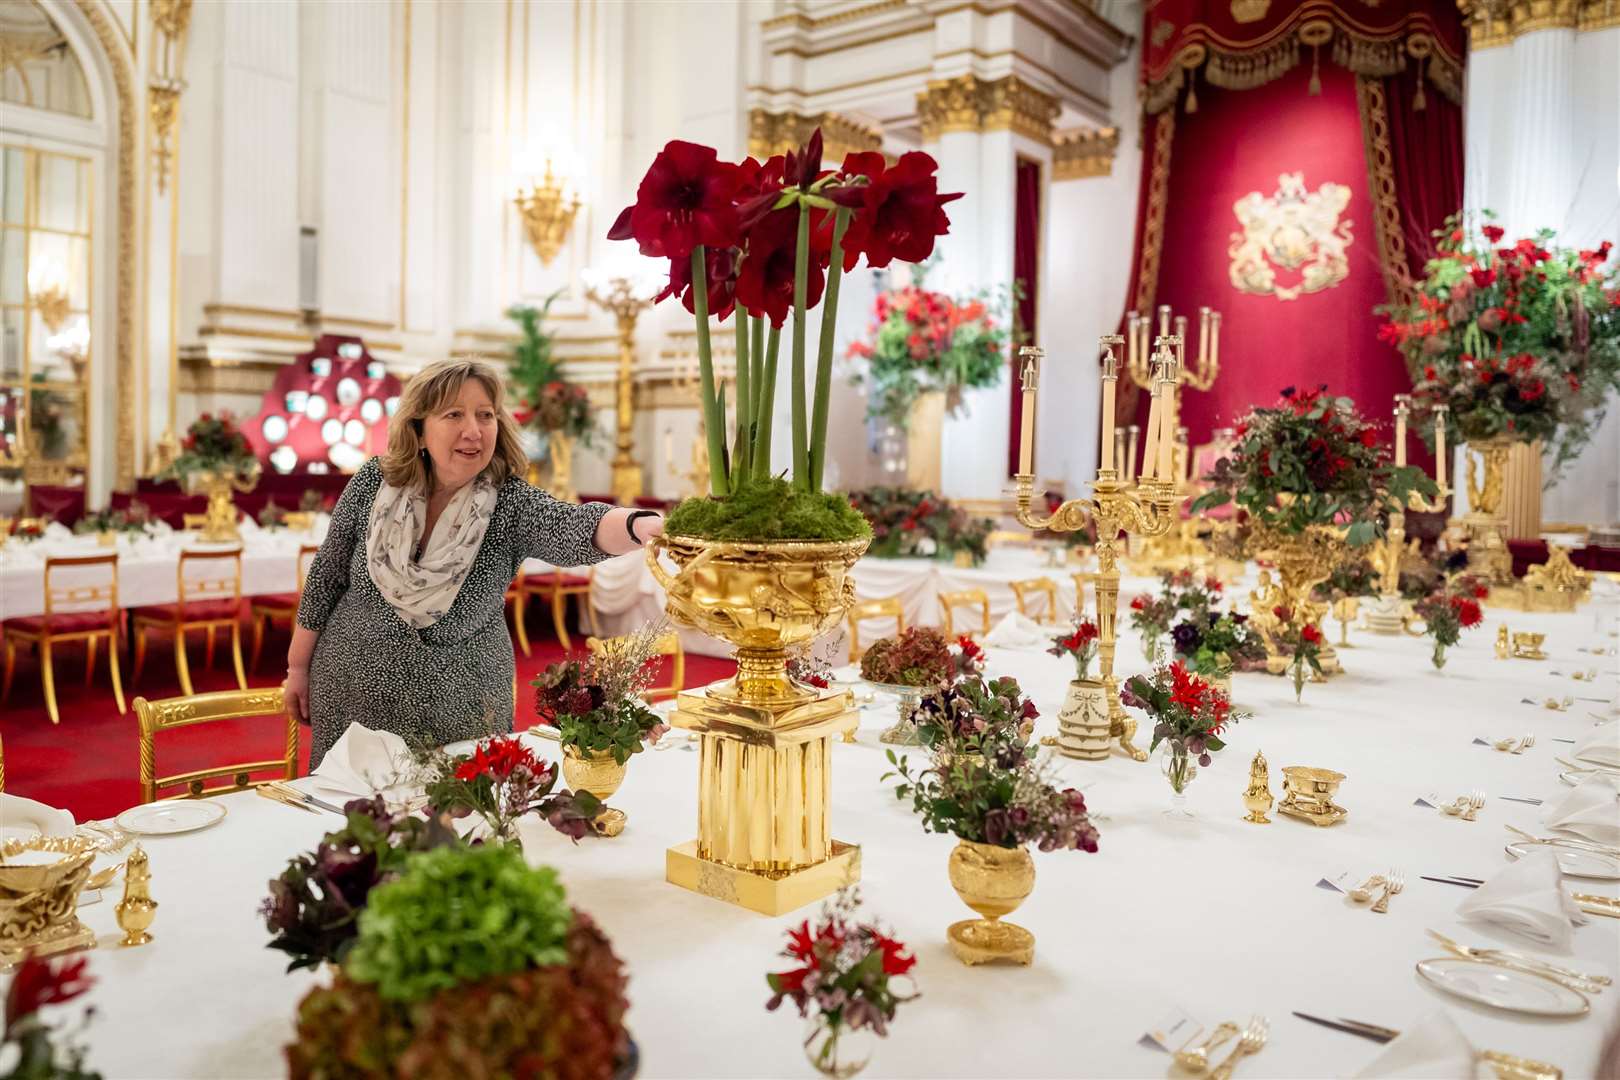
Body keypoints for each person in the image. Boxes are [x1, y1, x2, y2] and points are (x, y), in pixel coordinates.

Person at [285, 357, 662, 767]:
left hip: (462, 713)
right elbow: (327, 574)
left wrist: (639, 524)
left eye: (486, 415)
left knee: (457, 823)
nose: (474, 430)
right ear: (419, 428)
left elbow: (570, 526)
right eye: (454, 415)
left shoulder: (509, 502)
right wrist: (298, 667)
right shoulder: (374, 482)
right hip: (349, 700)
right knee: (353, 823)